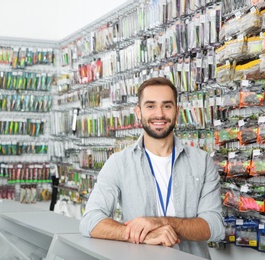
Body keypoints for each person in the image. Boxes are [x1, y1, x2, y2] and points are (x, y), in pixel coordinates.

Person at [79, 77, 225, 259]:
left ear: (177, 111)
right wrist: (144, 235)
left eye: (166, 106)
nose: (159, 114)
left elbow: (215, 227)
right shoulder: (118, 163)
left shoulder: (201, 162)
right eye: (150, 106)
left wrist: (160, 222)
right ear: (138, 112)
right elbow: (91, 221)